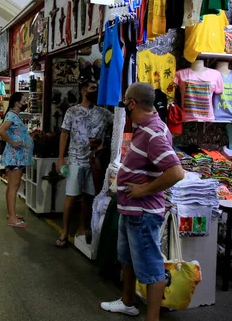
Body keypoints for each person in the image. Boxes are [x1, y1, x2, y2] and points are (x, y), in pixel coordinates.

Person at [101, 82, 184, 321]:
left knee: (150, 267)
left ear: (132, 103)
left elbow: (176, 172)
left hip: (143, 213)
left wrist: (144, 189)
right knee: (127, 259)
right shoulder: (144, 128)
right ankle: (128, 301)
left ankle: (152, 317)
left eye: (126, 101)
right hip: (131, 210)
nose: (124, 105)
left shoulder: (153, 132)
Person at [55, 79, 113, 247]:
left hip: (94, 161)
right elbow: (64, 134)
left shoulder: (104, 113)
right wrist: (60, 158)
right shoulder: (72, 111)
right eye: (92, 87)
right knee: (71, 196)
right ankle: (64, 231)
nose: (96, 90)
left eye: (97, 88)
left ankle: (82, 227)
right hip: (74, 159)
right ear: (83, 90)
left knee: (89, 197)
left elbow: (118, 124)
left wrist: (102, 143)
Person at [0, 92, 34, 228]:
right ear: (16, 102)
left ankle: (11, 213)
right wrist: (12, 142)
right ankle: (12, 218)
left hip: (18, 156)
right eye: (24, 101)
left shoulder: (14, 115)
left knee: (12, 185)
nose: (25, 103)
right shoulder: (12, 115)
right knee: (14, 185)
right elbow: (1, 130)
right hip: (15, 157)